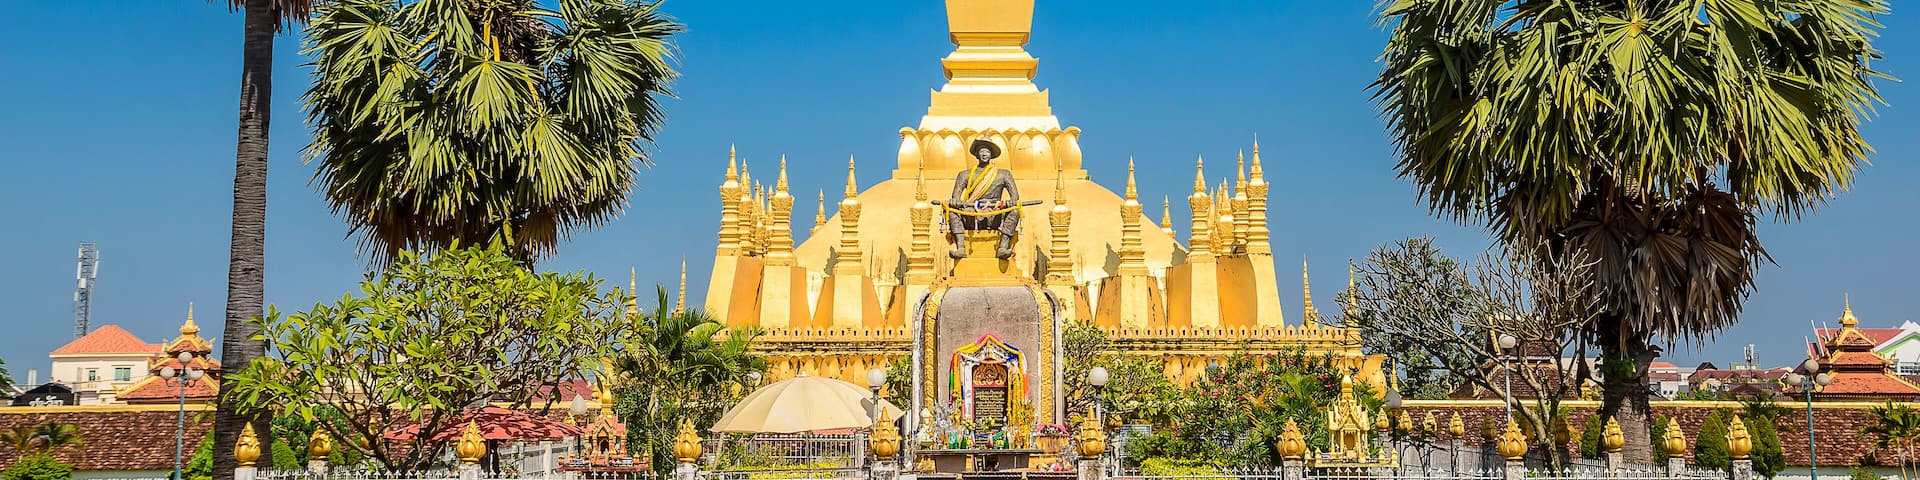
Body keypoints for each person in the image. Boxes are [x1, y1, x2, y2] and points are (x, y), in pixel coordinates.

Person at [946, 139, 1021, 259]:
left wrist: (1011, 202)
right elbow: (955, 197)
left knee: (1015, 211)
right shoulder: (964, 175)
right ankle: (960, 248)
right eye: (982, 151)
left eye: (987, 151)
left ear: (991, 155)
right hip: (972, 213)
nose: (984, 154)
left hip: (995, 213)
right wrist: (955, 202)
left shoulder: (1003, 174)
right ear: (976, 154)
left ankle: (1003, 247)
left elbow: (1015, 196)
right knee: (953, 211)